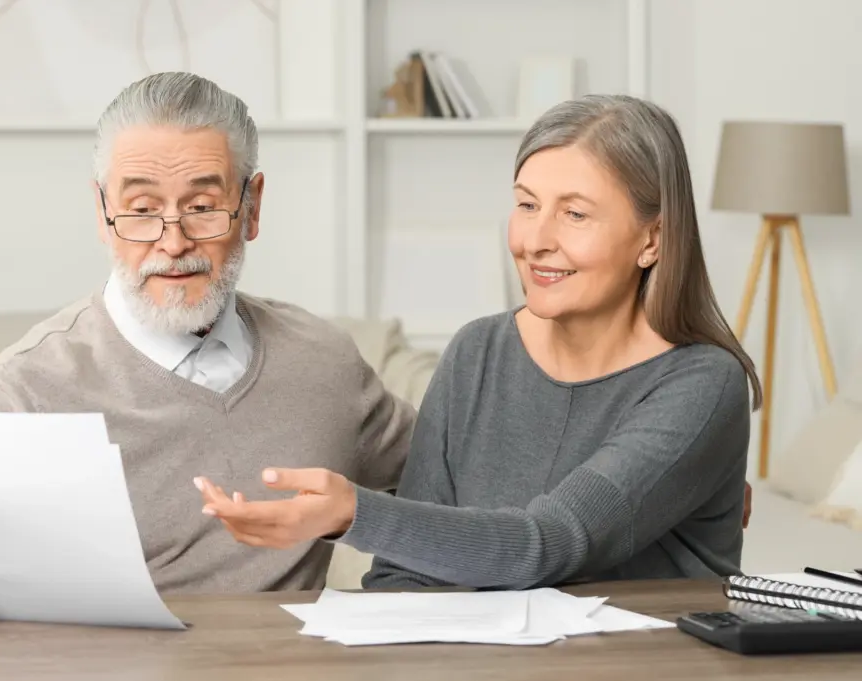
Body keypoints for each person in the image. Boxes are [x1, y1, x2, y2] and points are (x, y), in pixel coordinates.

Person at [0, 72, 416, 617]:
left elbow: (447, 476)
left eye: (201, 207)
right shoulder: (22, 392)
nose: (172, 242)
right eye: (142, 211)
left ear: (252, 207)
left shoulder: (324, 362)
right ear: (102, 211)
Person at [197, 94, 762, 590]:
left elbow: (554, 541)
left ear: (652, 239)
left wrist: (355, 514)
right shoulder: (479, 352)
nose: (535, 240)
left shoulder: (702, 384)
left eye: (575, 213)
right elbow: (404, 576)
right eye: (526, 204)